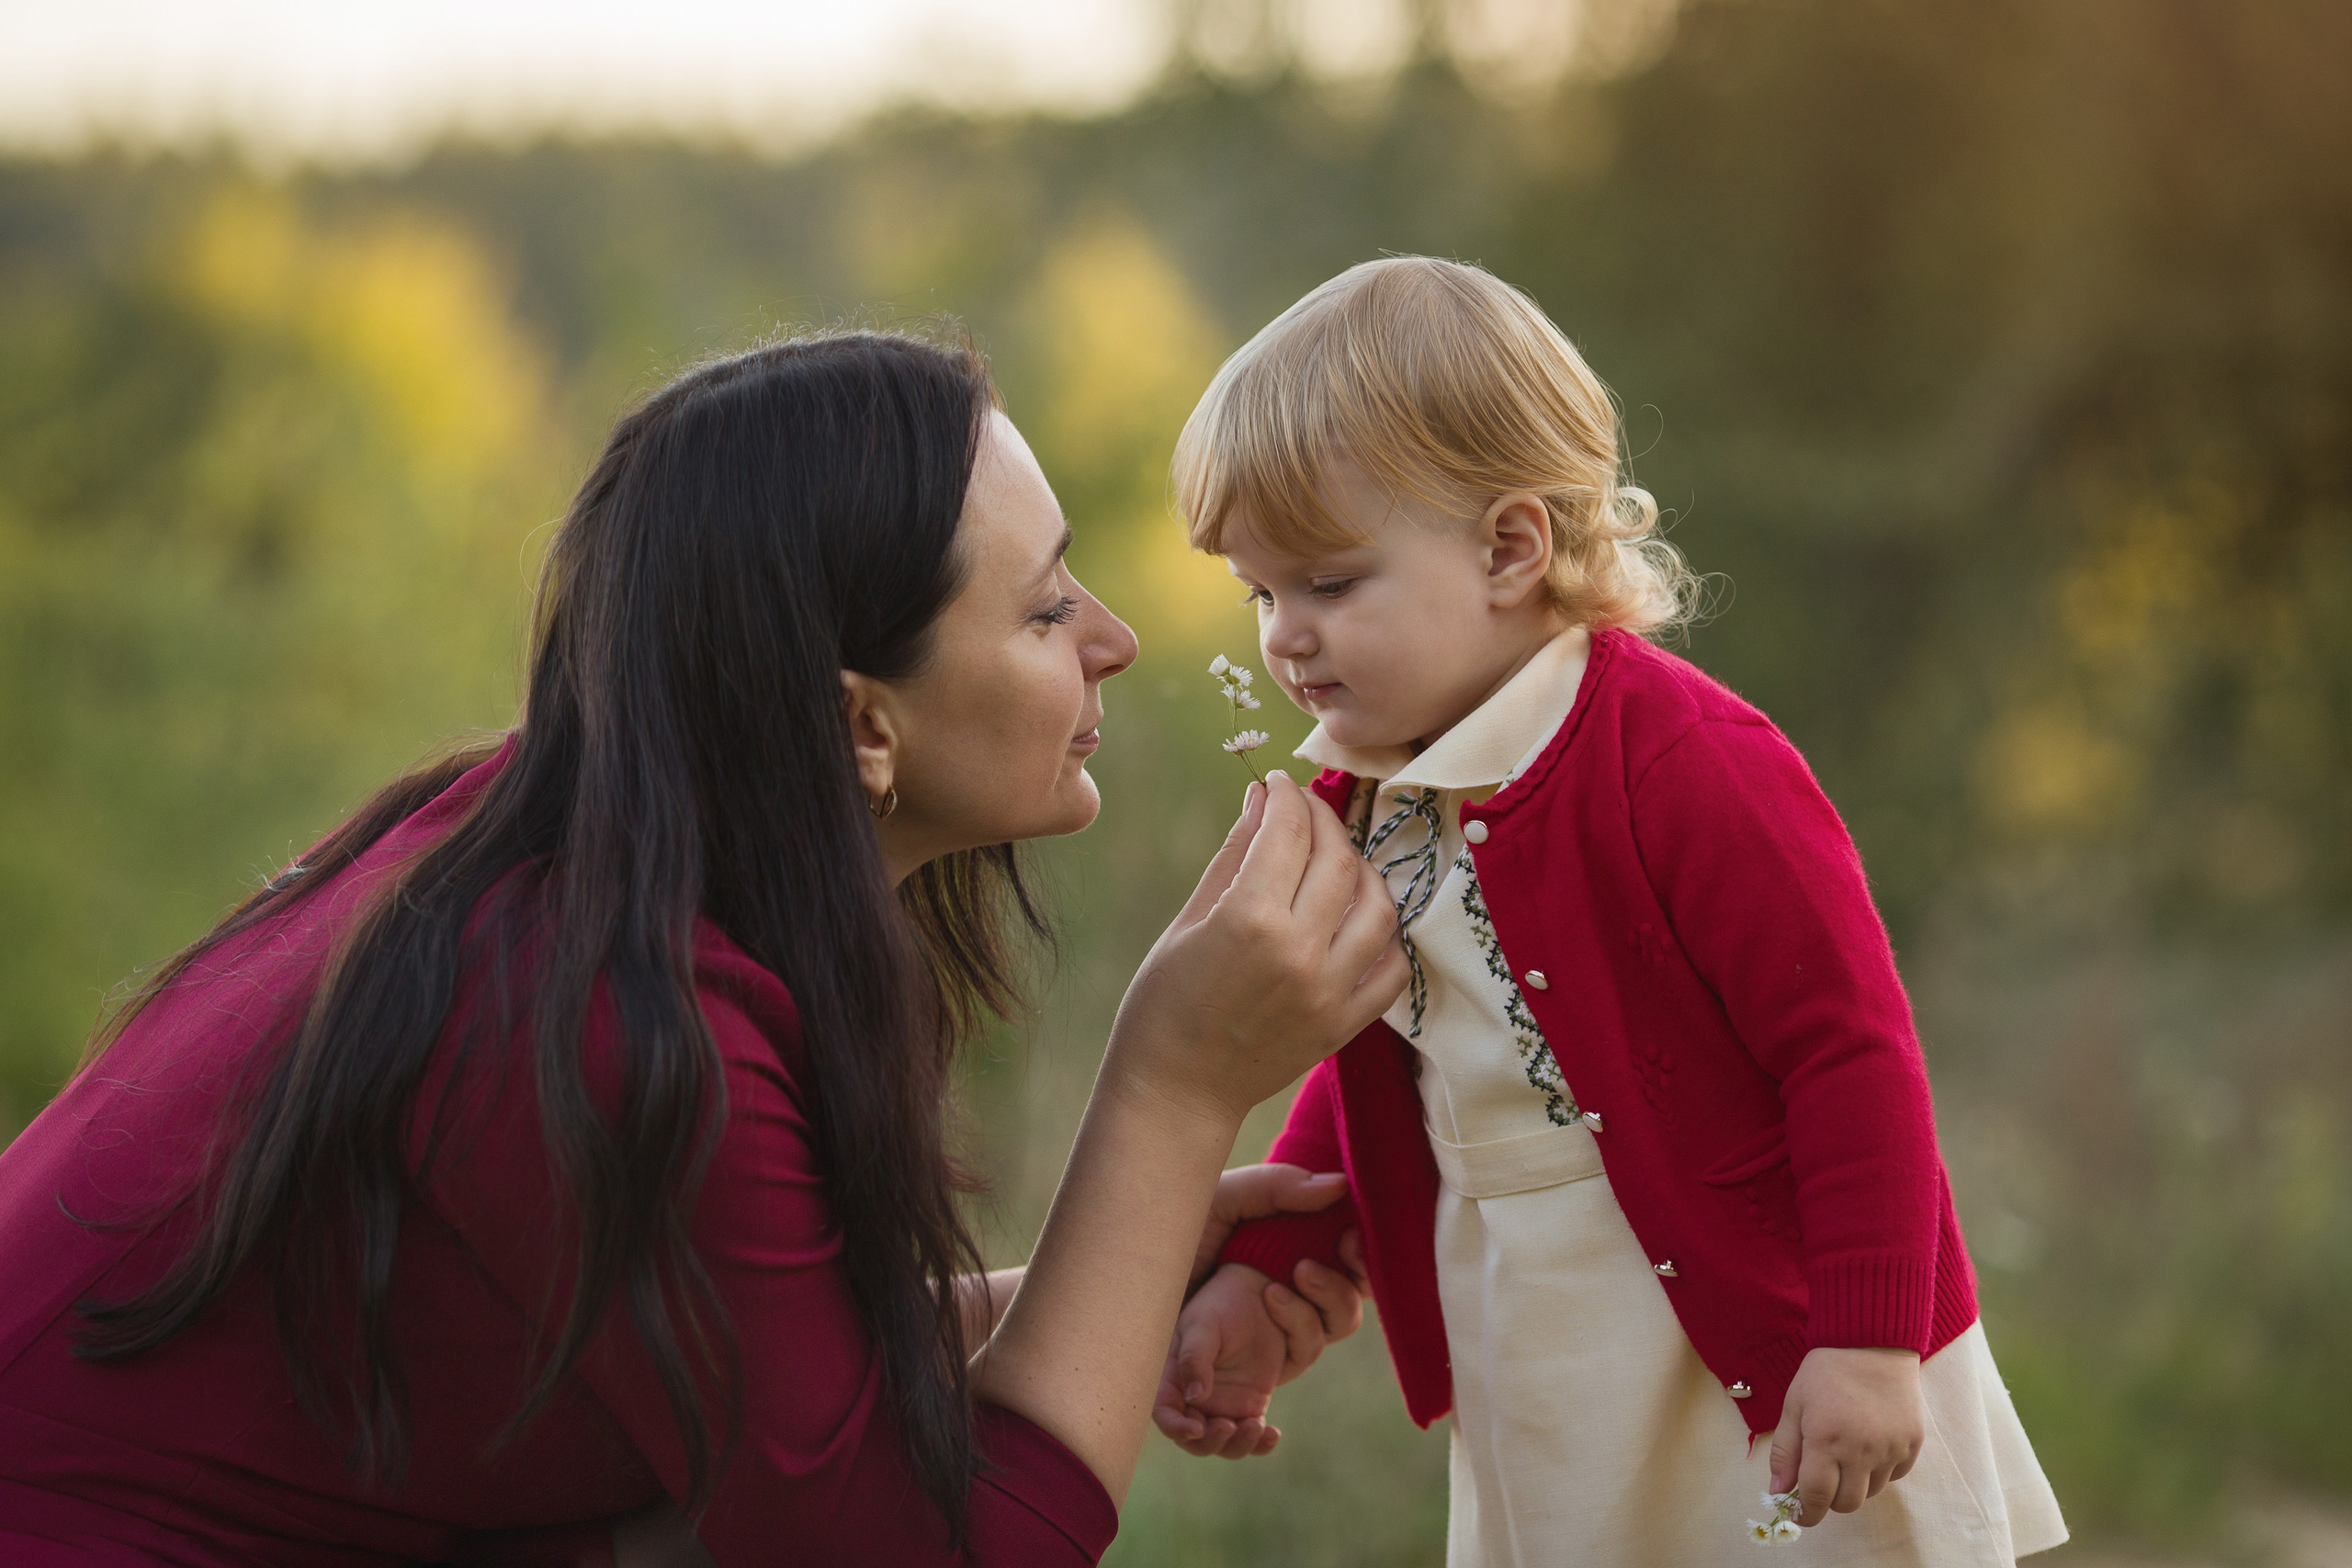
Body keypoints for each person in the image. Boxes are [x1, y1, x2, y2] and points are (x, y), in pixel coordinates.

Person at [0, 330, 1400, 1565]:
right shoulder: (598, 1004)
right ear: (859, 725)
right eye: (1043, 609)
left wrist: (1115, 1276)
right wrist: (1173, 1088)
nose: (1118, 639)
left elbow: (770, 1390)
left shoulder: (573, 867)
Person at [1150, 257, 2070, 1566]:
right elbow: (1396, 1062)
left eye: (1330, 585)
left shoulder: (1681, 761)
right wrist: (1272, 1265)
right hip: (1546, 1340)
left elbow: (1850, 1052)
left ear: (1510, 549)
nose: (1284, 638)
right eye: (1262, 595)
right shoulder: (1373, 801)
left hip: (1763, 1347)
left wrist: (1869, 1341)